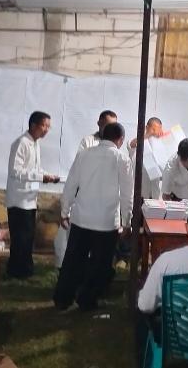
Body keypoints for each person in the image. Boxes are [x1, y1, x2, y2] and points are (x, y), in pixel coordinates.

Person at [54, 122, 133, 311]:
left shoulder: (84, 154)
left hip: (81, 218)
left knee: (73, 260)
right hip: (106, 221)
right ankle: (87, 299)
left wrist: (65, 211)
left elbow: (70, 185)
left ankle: (63, 298)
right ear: (121, 139)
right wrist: (127, 221)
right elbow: (127, 195)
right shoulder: (122, 159)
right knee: (100, 264)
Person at [54, 109, 119, 269]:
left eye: (114, 125)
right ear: (99, 124)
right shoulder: (88, 142)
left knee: (99, 248)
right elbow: (78, 171)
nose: (111, 129)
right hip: (86, 198)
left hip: (104, 203)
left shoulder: (116, 147)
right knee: (76, 243)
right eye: (108, 125)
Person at [5, 111, 60, 279]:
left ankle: (25, 269)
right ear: (33, 125)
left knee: (28, 237)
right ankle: (16, 271)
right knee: (20, 237)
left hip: (29, 199)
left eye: (48, 127)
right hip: (18, 200)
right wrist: (41, 177)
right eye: (44, 126)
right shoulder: (21, 143)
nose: (46, 130)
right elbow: (16, 171)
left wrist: (47, 176)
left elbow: (35, 169)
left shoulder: (35, 144)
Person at [128, 117, 164, 200]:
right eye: (153, 129)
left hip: (154, 194)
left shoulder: (160, 145)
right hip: (140, 194)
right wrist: (149, 135)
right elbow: (131, 144)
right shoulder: (139, 141)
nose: (155, 132)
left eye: (158, 130)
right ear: (147, 127)